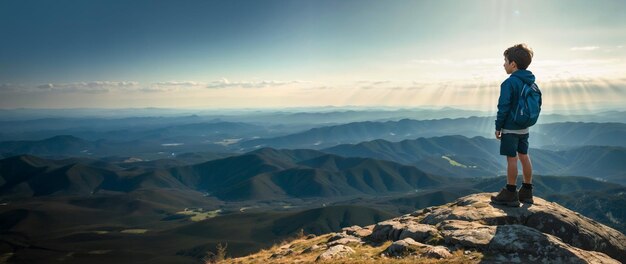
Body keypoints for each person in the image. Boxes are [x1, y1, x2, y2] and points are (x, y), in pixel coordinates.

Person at [490, 43, 535, 207]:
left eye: (505, 61)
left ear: (513, 64)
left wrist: (498, 126)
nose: (504, 64)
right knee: (524, 155)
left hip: (510, 127)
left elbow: (503, 107)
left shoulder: (509, 83)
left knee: (512, 159)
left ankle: (510, 192)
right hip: (525, 127)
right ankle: (527, 191)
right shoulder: (530, 82)